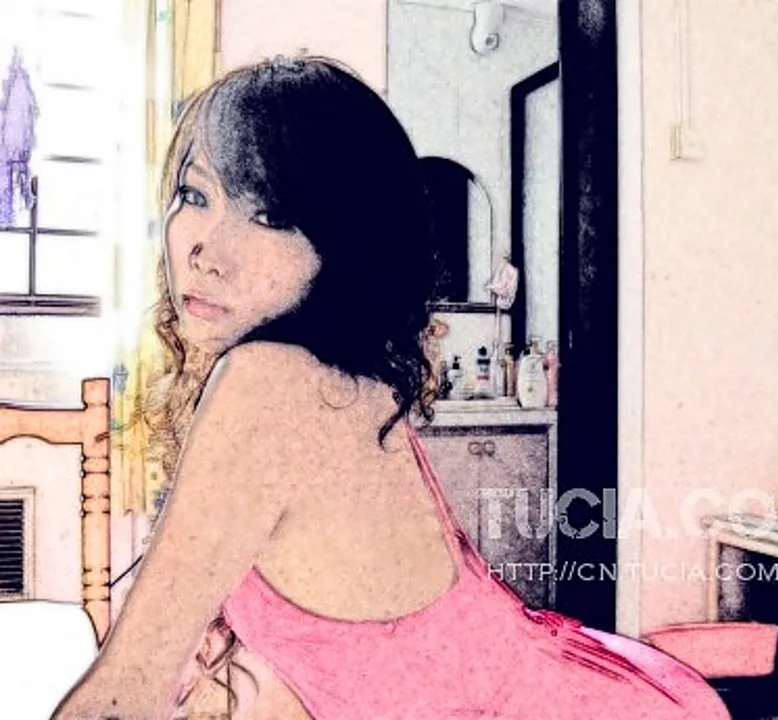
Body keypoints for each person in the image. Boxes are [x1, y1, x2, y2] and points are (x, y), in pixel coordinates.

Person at [52, 56, 729, 719]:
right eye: (196, 196)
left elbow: (121, 697)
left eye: (270, 216)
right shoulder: (351, 385)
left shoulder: (268, 382)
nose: (206, 250)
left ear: (342, 244)